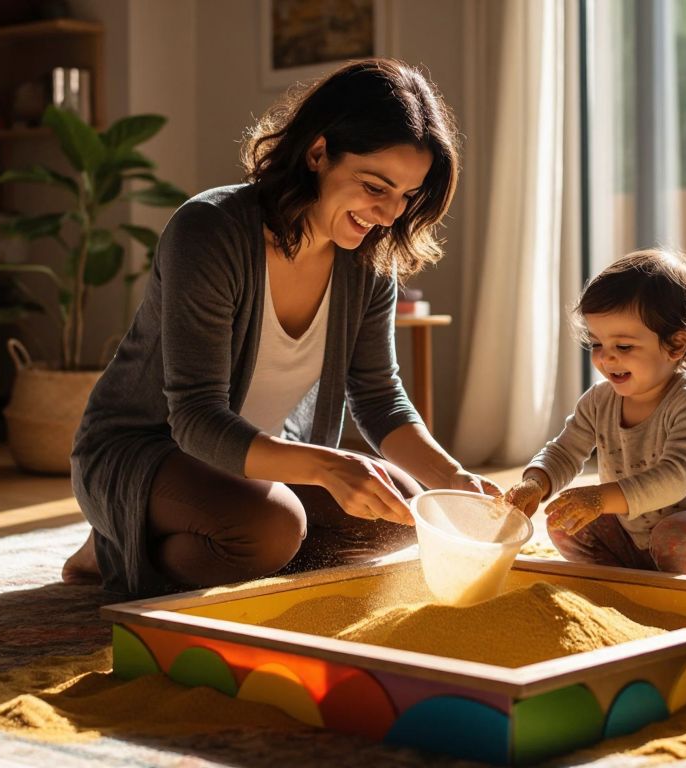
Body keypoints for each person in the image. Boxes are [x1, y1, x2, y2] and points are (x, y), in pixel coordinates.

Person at [65, 59, 498, 596]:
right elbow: (195, 419)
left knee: (400, 519)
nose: (388, 215)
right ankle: (117, 541)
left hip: (261, 458)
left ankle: (166, 539)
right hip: (148, 450)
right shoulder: (209, 231)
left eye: (406, 196)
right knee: (274, 529)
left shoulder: (367, 260)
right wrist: (328, 468)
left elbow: (379, 398)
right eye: (374, 187)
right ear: (318, 153)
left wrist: (457, 482)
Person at [500, 249, 686, 579]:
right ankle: (622, 585)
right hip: (635, 536)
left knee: (676, 536)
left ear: (675, 346)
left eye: (623, 347)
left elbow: (675, 477)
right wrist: (535, 484)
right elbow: (565, 450)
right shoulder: (599, 400)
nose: (606, 359)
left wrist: (599, 497)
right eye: (596, 344)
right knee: (565, 521)